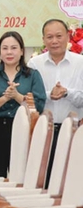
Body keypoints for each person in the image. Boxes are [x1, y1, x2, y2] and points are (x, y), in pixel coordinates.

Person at [0, 31, 46, 178]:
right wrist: (5, 97)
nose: (9, 52)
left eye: (14, 48)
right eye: (5, 48)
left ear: (22, 50)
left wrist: (17, 96)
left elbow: (39, 106)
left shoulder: (32, 75)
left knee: (23, 179)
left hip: (25, 130)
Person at [27, 19, 83, 183]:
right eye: (49, 37)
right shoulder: (34, 64)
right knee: (44, 179)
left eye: (59, 36)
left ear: (67, 36)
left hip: (75, 131)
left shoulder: (81, 63)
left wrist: (67, 93)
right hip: (43, 132)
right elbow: (30, 97)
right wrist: (48, 94)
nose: (54, 41)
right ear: (43, 39)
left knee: (71, 180)